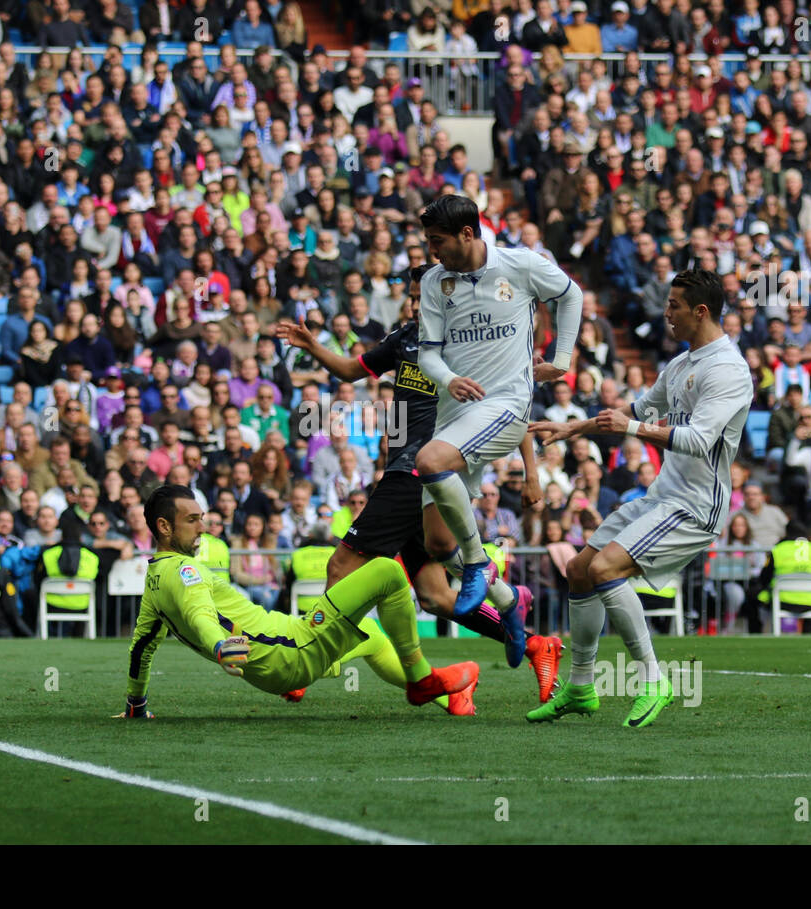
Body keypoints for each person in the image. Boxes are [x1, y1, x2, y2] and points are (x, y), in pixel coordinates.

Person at [277, 265, 564, 701]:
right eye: (411, 295)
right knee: (433, 596)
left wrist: (531, 471)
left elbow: (511, 407)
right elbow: (352, 371)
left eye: (421, 294)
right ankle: (535, 645)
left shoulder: (471, 342)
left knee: (340, 568)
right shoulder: (406, 338)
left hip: (422, 471)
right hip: (407, 472)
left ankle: (309, 665)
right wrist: (314, 346)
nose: (415, 303)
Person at [528, 268, 753, 727]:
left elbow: (697, 440)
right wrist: (572, 428)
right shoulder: (680, 364)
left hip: (694, 505)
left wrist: (630, 429)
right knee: (579, 570)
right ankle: (581, 688)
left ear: (701, 311)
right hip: (663, 496)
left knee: (606, 568)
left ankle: (654, 679)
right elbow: (634, 412)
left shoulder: (728, 369)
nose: (666, 313)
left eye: (673, 306)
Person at [118, 486, 480, 719]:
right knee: (387, 571)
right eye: (192, 520)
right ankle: (420, 678)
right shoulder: (185, 571)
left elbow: (141, 648)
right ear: (164, 527)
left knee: (369, 631)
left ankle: (450, 698)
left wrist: (136, 704)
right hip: (292, 648)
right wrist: (219, 645)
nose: (202, 528)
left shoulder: (154, 581)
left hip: (280, 664)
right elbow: (199, 614)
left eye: (202, 518)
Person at [414, 195, 584, 647]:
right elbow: (428, 353)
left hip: (506, 406)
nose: (432, 251)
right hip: (455, 416)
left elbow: (572, 294)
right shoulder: (435, 282)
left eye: (437, 241)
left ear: (467, 234)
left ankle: (477, 563)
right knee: (435, 545)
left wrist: (561, 360)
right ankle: (511, 601)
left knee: (429, 462)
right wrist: (449, 379)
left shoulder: (521, 264)